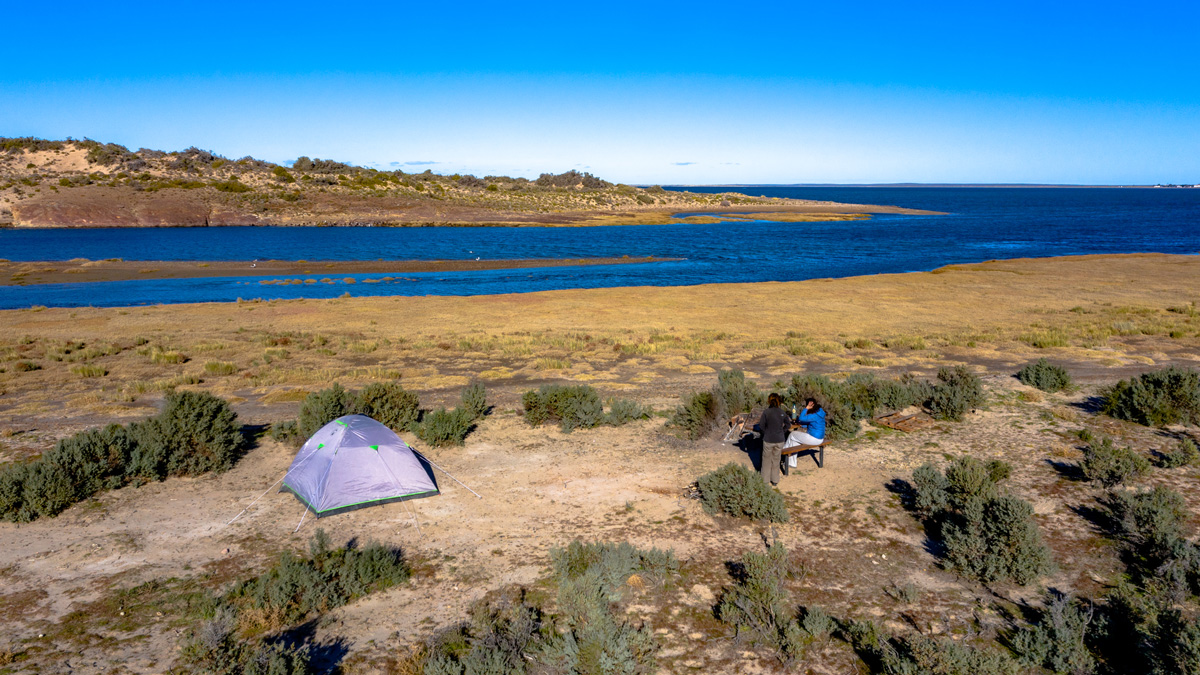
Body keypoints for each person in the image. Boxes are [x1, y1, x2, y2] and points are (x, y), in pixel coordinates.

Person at [758, 393, 791, 486]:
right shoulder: (782, 412)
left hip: (768, 439)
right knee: (776, 460)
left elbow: (761, 426)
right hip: (779, 440)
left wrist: (766, 432)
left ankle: (765, 480)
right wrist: (782, 431)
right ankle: (775, 480)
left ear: (769, 400)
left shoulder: (766, 412)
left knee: (766, 460)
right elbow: (788, 425)